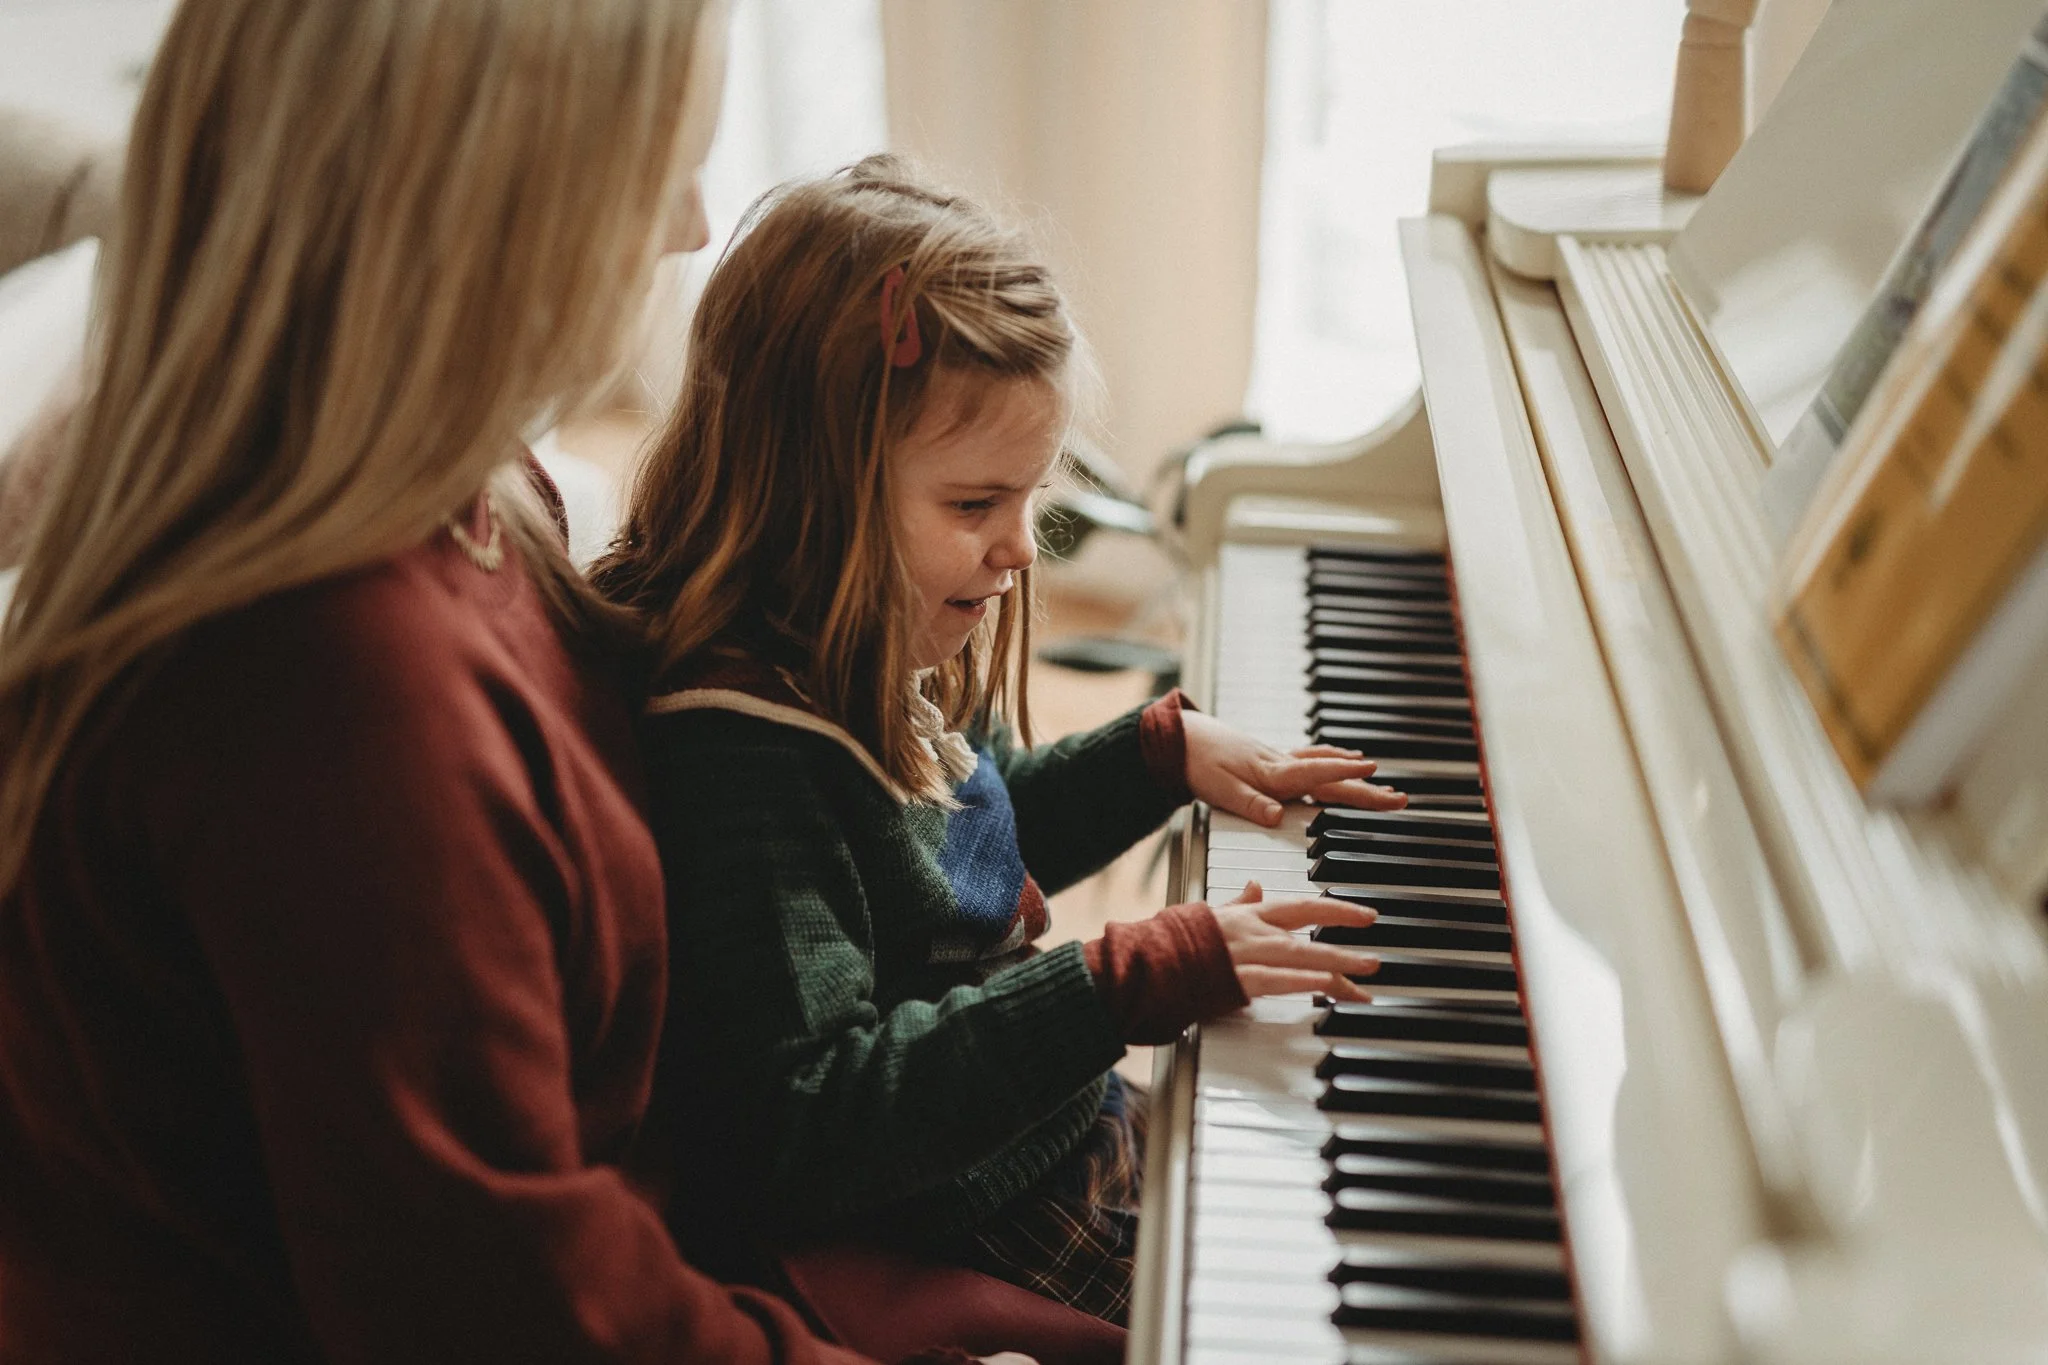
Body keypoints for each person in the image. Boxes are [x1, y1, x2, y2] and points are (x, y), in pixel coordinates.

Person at [0, 5, 1012, 1363]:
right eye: (661, 171)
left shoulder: (477, 484)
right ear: (498, 205)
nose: (692, 229)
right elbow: (511, 1303)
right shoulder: (338, 696)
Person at [590, 155, 1406, 1327]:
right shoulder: (745, 761)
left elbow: (974, 831)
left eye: (1031, 496)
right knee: (1293, 1315)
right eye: (973, 506)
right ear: (801, 492)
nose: (1020, 549)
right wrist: (1112, 982)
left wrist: (1151, 758)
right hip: (969, 1205)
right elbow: (814, 1115)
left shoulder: (868, 636)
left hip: (1030, 1136)